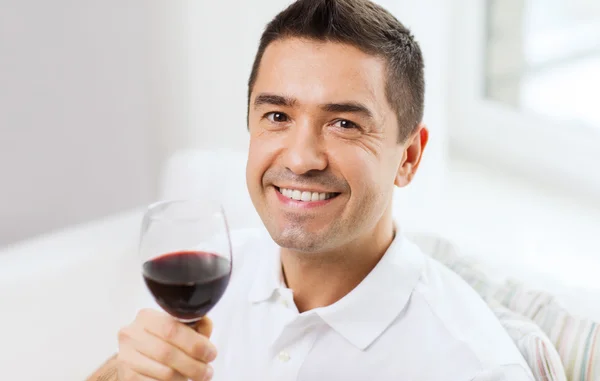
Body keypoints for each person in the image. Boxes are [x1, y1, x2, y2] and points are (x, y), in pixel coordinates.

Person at [88, 0, 534, 380]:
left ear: (409, 157)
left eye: (344, 124)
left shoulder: (471, 364)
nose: (301, 159)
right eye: (278, 117)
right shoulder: (210, 276)